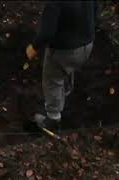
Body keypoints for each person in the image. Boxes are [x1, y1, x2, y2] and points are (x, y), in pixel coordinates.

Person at [25, 1, 97, 129]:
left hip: (66, 51)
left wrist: (33, 47)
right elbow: (95, 11)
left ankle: (53, 119)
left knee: (52, 79)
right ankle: (67, 89)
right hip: (87, 45)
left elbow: (47, 33)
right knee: (67, 67)